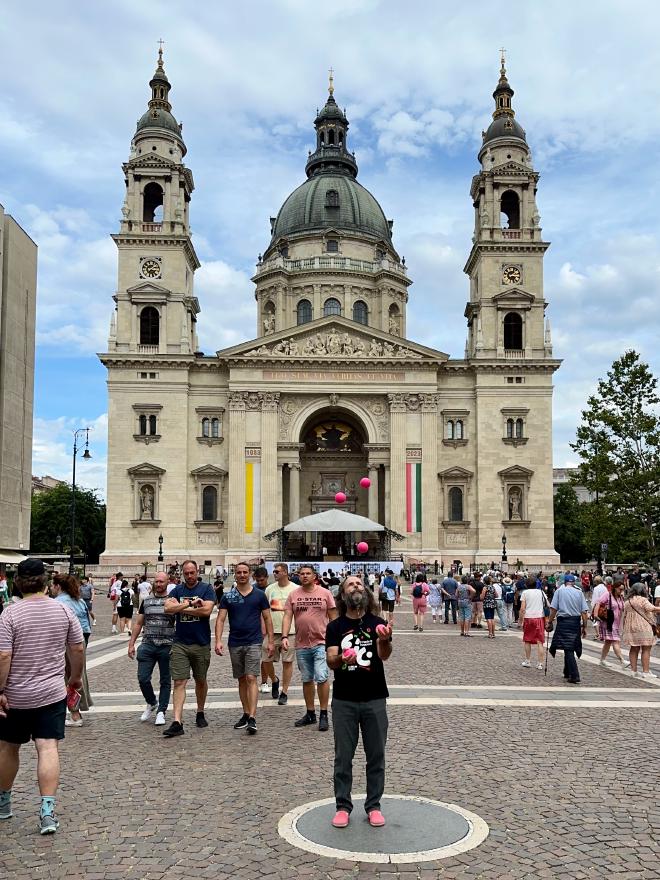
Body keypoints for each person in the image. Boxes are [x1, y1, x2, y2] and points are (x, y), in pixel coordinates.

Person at [0, 558, 84, 834]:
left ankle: (4, 802)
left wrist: (0, 689)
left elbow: (4, 656)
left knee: (8, 747)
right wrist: (74, 678)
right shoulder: (63, 610)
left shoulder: (9, 614)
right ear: (46, 582)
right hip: (51, 693)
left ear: (17, 582)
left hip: (15, 695)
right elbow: (77, 648)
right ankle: (47, 812)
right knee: (47, 747)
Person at [326, 575, 392, 829]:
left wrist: (384, 639)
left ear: (366, 591)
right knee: (343, 757)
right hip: (344, 699)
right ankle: (342, 806)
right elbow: (331, 660)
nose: (356, 587)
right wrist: (342, 659)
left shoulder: (378, 623)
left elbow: (384, 656)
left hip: (375, 697)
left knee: (376, 755)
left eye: (359, 584)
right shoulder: (335, 627)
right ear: (343, 595)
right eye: (350, 584)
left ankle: (374, 806)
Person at [215, 562, 274, 735]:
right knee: (241, 678)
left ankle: (253, 717)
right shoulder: (228, 596)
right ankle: (246, 712)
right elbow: (220, 619)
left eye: (245, 572)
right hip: (235, 642)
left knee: (251, 677)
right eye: (239, 572)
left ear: (250, 574)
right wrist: (218, 640)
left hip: (253, 641)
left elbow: (268, 618)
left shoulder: (259, 595)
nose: (242, 575)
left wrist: (271, 641)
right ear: (235, 574)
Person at [281, 563, 338, 731]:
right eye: (302, 573)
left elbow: (333, 617)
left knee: (321, 676)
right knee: (306, 678)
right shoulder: (293, 594)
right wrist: (284, 636)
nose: (304, 576)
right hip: (301, 643)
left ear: (314, 576)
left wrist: (335, 640)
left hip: (321, 642)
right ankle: (310, 712)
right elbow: (287, 616)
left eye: (307, 573)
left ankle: (323, 713)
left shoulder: (325, 593)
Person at [162, 560, 216, 737]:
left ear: (197, 571)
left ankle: (200, 711)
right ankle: (177, 721)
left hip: (201, 642)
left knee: (201, 680)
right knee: (179, 681)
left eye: (192, 572)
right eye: (186, 573)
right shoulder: (177, 590)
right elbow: (167, 608)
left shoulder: (207, 589)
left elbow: (206, 611)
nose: (190, 576)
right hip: (180, 643)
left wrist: (180, 608)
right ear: (182, 573)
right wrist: (189, 605)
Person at [128, 571, 175, 726]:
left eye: (162, 581)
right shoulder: (147, 601)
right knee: (143, 678)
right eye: (157, 581)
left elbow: (179, 623)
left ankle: (161, 711)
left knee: (165, 680)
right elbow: (139, 623)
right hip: (148, 644)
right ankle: (152, 702)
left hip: (167, 645)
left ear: (167, 582)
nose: (159, 584)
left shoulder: (172, 601)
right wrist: (131, 643)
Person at [52, 575, 93, 727]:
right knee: (77, 675)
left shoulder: (57, 603)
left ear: (58, 586)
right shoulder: (79, 601)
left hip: (64, 642)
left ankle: (74, 714)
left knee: (65, 677)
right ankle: (76, 712)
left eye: (53, 585)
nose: (51, 588)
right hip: (81, 640)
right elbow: (87, 625)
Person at [261, 563, 297, 705]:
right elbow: (264, 610)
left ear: (285, 572)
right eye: (274, 571)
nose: (274, 573)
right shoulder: (270, 589)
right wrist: (263, 628)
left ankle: (284, 692)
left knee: (287, 662)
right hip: (272, 631)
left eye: (277, 571)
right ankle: (274, 680)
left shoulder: (295, 589)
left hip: (290, 631)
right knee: (266, 659)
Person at [546, 574, 589, 684]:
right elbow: (584, 612)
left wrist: (549, 621)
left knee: (568, 648)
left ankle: (574, 675)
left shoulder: (559, 591)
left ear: (564, 582)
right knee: (569, 646)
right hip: (575, 622)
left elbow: (553, 609)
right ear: (574, 582)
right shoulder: (579, 593)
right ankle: (567, 671)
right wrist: (584, 627)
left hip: (563, 621)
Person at [621, 582, 660, 680]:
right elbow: (652, 609)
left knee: (634, 648)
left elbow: (624, 616)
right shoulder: (643, 600)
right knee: (646, 649)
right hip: (643, 627)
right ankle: (646, 672)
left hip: (630, 628)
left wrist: (624, 628)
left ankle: (633, 671)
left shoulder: (628, 601)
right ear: (642, 590)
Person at [253, 566, 276, 694]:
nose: (260, 582)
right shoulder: (252, 589)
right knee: (254, 656)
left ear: (267, 578)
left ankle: (264, 681)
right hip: (254, 625)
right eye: (258, 580)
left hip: (267, 625)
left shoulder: (272, 589)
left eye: (262, 580)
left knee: (265, 657)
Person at [519, 576, 547, 670]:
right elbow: (547, 604)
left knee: (527, 640)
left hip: (528, 618)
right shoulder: (541, 592)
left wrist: (521, 620)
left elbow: (522, 608)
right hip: (539, 617)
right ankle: (540, 663)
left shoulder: (525, 593)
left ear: (526, 585)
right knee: (540, 641)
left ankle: (528, 661)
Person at [596, 579, 625, 668]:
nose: (621, 591)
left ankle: (602, 660)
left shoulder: (620, 597)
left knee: (608, 642)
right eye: (620, 589)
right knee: (615, 641)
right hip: (608, 622)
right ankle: (622, 660)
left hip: (616, 623)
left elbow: (622, 609)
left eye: (623, 589)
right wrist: (595, 615)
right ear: (615, 588)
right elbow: (598, 603)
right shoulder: (607, 595)